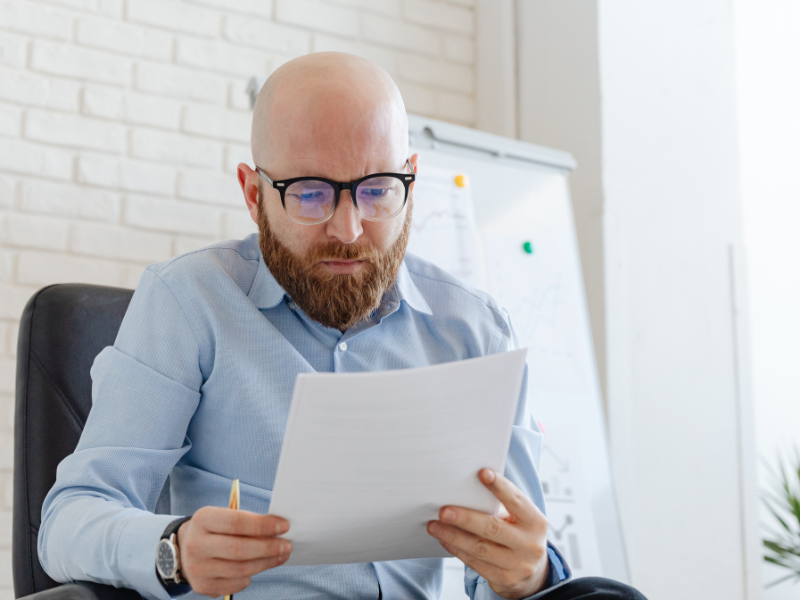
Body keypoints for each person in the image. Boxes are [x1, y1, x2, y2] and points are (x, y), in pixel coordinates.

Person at [38, 52, 645, 600]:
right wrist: (172, 549)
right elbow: (71, 519)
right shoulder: (188, 302)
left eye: (378, 191)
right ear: (254, 195)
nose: (348, 229)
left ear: (411, 180)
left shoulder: (476, 330)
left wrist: (528, 574)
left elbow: (511, 557)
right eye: (309, 194)